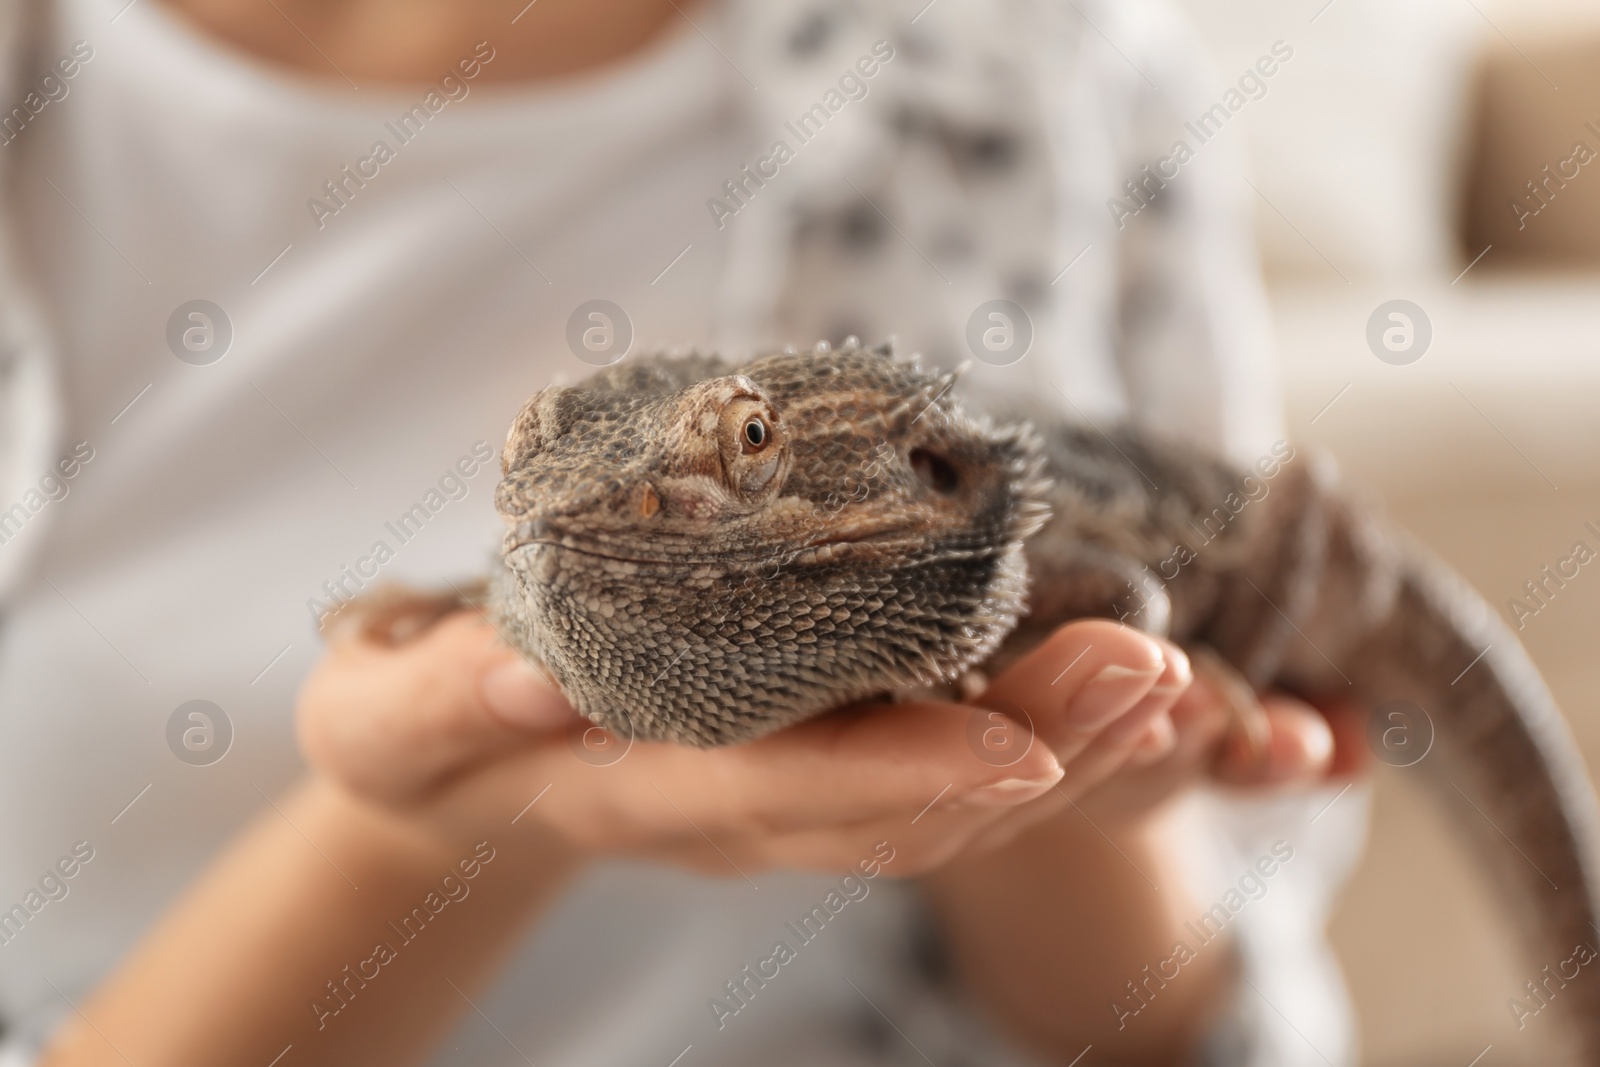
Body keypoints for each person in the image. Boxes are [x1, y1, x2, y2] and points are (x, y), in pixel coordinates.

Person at [0, 0, 1368, 1063]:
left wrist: (1037, 764)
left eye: (743, 455)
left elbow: (1210, 1032)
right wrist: (428, 840)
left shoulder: (1040, 64)